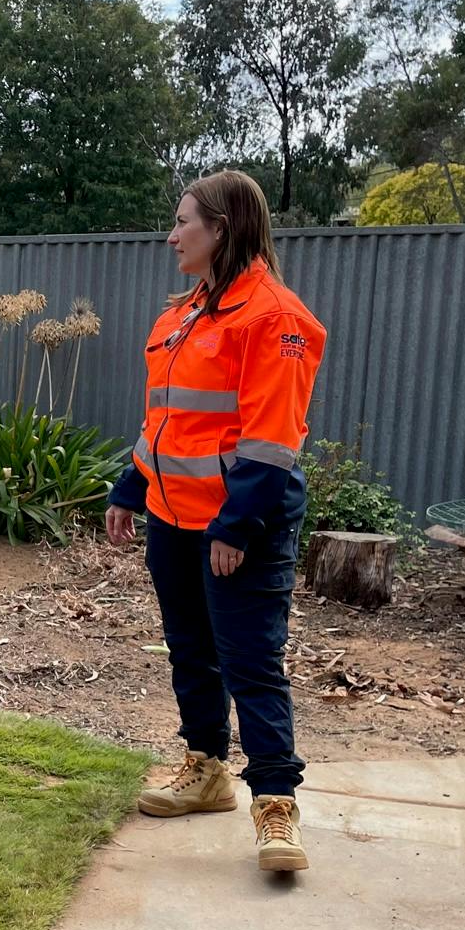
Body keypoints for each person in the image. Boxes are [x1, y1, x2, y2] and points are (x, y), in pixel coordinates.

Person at [105, 170, 326, 873]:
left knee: (252, 664)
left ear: (222, 227)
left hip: (240, 527)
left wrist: (235, 527)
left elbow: (272, 439)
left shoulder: (274, 318)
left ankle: (276, 805)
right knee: (190, 651)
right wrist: (129, 487)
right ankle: (206, 771)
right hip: (174, 519)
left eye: (183, 223)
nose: (172, 235)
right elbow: (167, 423)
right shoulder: (183, 315)